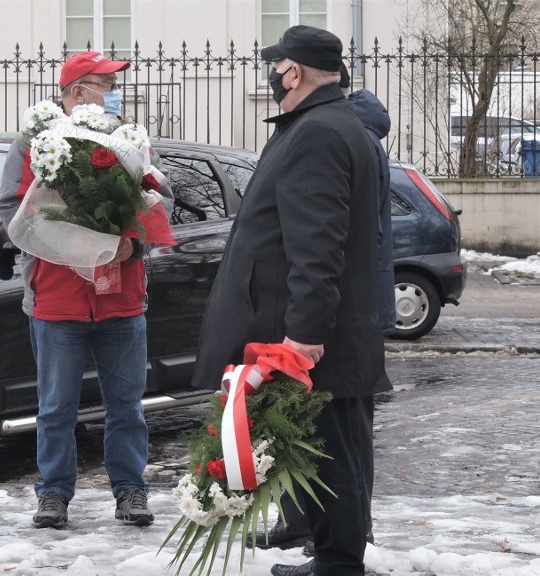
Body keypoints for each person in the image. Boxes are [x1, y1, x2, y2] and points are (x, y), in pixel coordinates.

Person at [190, 26, 391, 576]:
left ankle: (336, 561)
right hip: (319, 322)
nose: (272, 76)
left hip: (297, 329)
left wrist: (303, 335)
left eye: (274, 67)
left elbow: (316, 244)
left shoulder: (318, 132)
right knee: (328, 448)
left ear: (292, 71)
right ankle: (331, 551)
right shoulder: (331, 124)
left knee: (328, 450)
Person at [0, 51, 173, 529]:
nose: (113, 94)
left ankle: (131, 491)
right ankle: (53, 494)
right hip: (57, 300)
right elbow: (7, 209)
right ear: (77, 91)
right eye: (104, 84)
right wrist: (62, 237)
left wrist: (130, 246)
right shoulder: (34, 143)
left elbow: (161, 198)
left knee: (127, 407)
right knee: (55, 408)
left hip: (121, 297)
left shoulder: (128, 139)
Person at [248, 63, 395, 557]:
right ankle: (311, 530)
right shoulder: (343, 130)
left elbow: (325, 241)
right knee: (319, 430)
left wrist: (309, 324)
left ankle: (344, 542)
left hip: (337, 314)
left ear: (298, 74)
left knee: (340, 435)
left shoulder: (332, 135)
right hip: (341, 309)